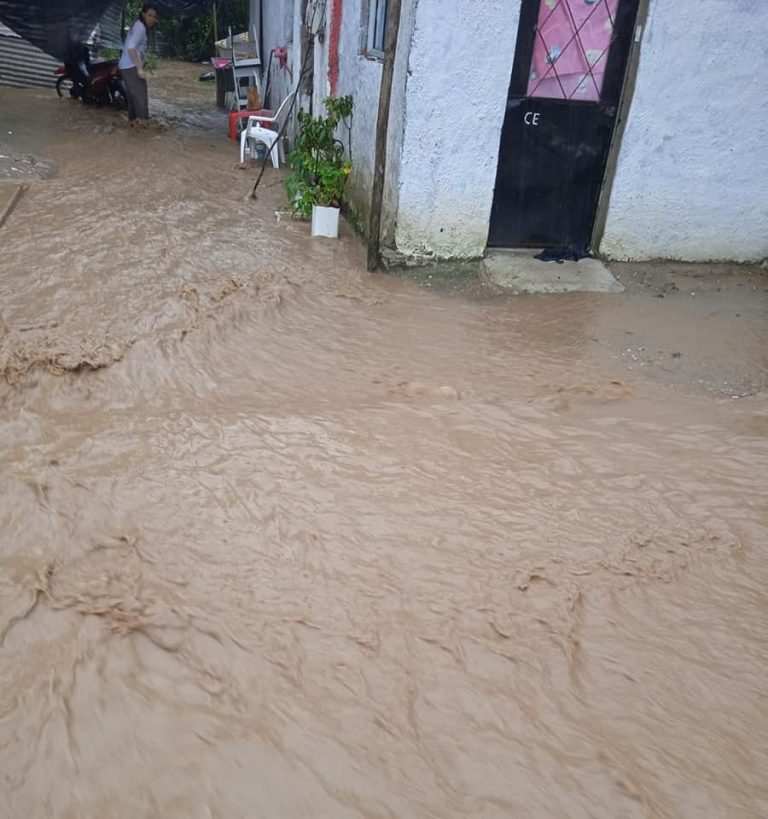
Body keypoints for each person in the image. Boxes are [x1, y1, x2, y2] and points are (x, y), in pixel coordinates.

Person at [119, 3, 158, 122]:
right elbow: (131, 47)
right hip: (131, 67)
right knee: (141, 101)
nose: (152, 18)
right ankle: (143, 134)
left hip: (125, 66)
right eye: (149, 15)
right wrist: (139, 68)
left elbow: (132, 46)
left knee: (132, 101)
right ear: (143, 15)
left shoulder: (137, 25)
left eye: (154, 16)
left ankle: (133, 130)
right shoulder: (141, 27)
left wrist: (142, 60)